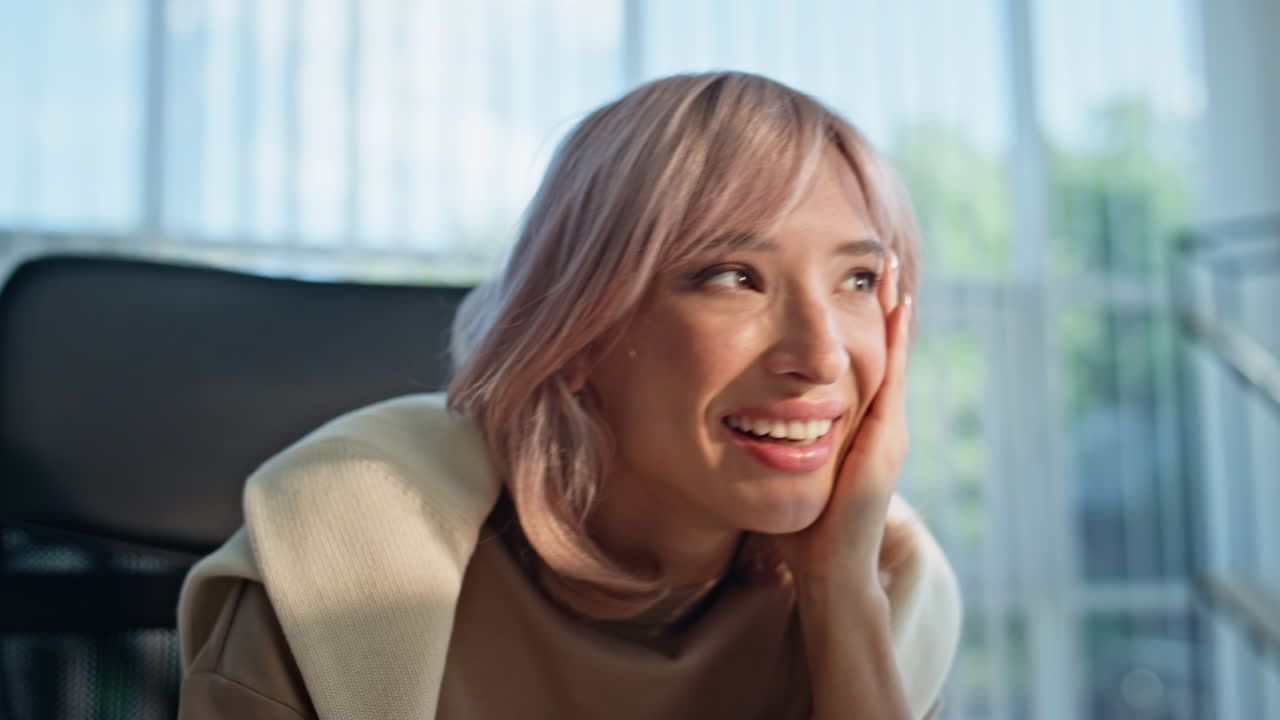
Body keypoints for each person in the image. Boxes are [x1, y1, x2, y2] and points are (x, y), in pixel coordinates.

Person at [176, 71, 962, 720]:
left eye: (860, 280)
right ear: (579, 328)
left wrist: (840, 589)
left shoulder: (890, 578)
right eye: (732, 276)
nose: (823, 355)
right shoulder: (348, 541)